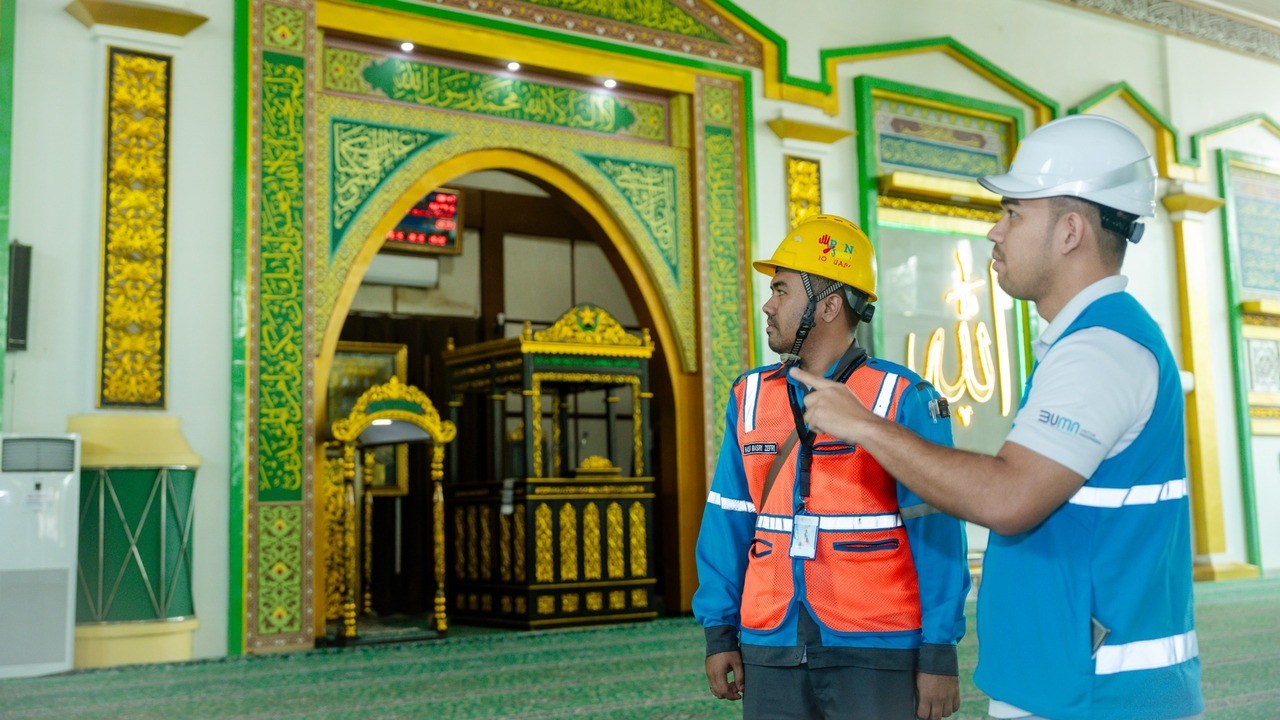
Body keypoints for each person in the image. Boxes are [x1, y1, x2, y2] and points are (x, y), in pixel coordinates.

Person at [793, 115, 1204, 720]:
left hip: (1098, 696)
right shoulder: (1089, 342)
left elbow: (1010, 497)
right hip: (1073, 680)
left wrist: (866, 425)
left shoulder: (1100, 352)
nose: (994, 231)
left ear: (1069, 231)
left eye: (1013, 213)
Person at [693, 214, 970, 720]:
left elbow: (937, 533)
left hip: (877, 645)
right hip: (769, 641)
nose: (767, 304)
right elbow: (728, 517)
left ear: (829, 306)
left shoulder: (902, 399)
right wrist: (719, 630)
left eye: (780, 290)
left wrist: (938, 650)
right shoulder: (749, 396)